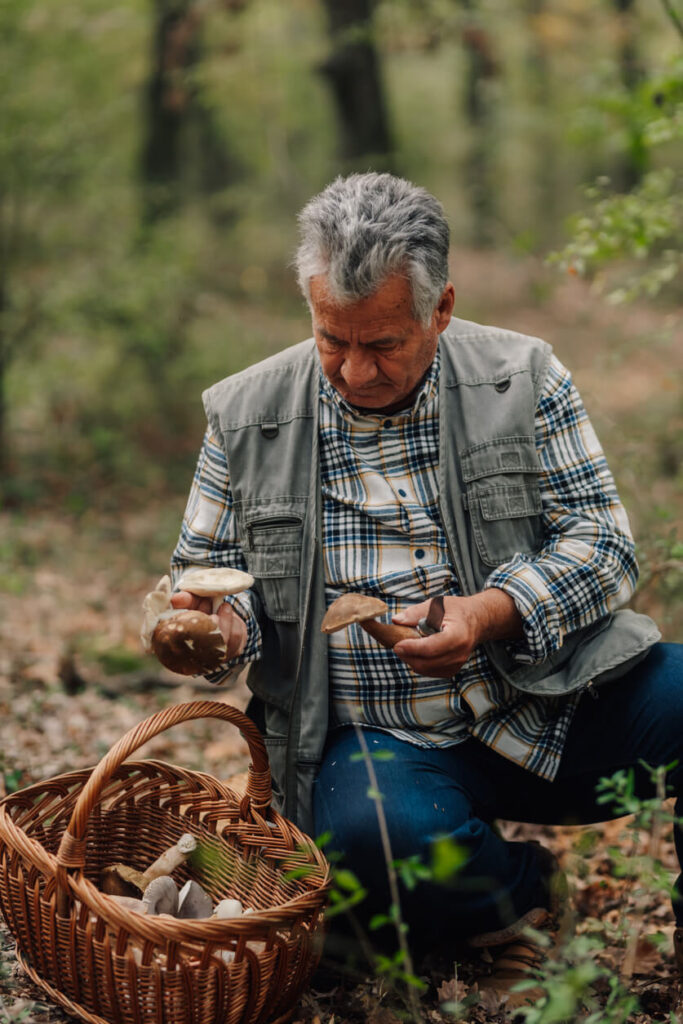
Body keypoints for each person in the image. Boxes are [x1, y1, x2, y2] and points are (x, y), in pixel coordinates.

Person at [170, 172, 681, 993]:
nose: (353, 370)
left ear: (438, 309)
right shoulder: (246, 417)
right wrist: (217, 631)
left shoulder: (521, 375)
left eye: (382, 344)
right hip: (383, 743)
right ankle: (520, 891)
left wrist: (490, 612)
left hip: (548, 699)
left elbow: (604, 543)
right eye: (332, 339)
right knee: (376, 839)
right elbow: (210, 581)